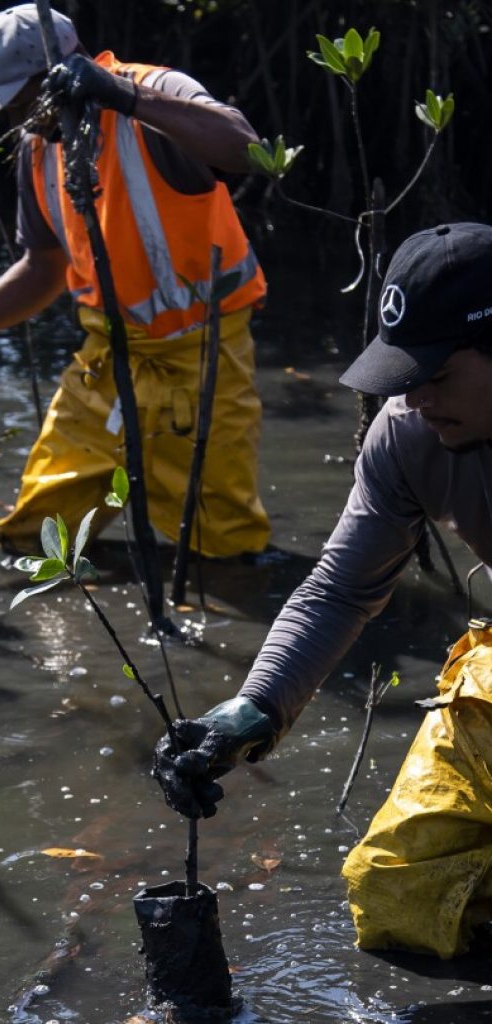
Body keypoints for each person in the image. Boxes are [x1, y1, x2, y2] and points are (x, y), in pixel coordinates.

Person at [153, 221, 492, 958]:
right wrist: (251, 711)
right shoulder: (410, 436)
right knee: (401, 893)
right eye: (407, 378)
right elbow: (341, 589)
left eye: (437, 375)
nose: (420, 401)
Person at [0, 3, 270, 558]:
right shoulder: (37, 148)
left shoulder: (152, 94)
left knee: (225, 550)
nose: (18, 118)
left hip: (202, 361)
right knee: (37, 540)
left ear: (56, 75)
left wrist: (125, 99)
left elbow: (248, 150)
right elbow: (44, 271)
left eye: (22, 100)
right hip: (104, 363)